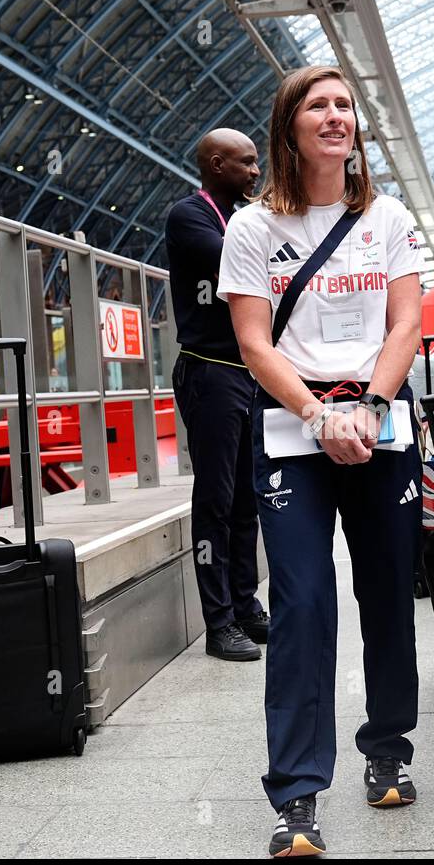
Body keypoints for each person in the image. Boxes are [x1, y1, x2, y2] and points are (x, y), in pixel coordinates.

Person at [219, 66, 423, 857]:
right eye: (318, 106)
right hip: (293, 431)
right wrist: (317, 415)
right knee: (303, 603)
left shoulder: (391, 217)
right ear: (290, 126)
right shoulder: (252, 229)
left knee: (386, 596)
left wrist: (367, 409)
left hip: (379, 427)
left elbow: (406, 325)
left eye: (344, 106)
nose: (335, 117)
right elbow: (252, 344)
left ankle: (388, 750)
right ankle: (297, 794)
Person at [164, 128, 269, 662]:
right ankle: (219, 622)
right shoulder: (190, 216)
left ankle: (248, 607)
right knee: (216, 498)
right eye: (246, 164)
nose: (256, 172)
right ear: (215, 163)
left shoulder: (246, 217)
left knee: (248, 498)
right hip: (210, 372)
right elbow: (243, 267)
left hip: (250, 373)